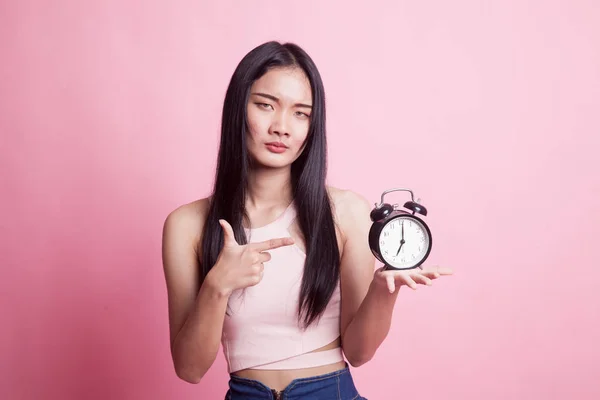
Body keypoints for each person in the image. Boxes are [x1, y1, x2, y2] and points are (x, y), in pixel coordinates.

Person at [161, 40, 453, 400]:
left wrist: (383, 289)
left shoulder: (346, 211)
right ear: (239, 109)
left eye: (301, 113)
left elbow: (359, 352)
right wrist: (217, 285)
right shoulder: (187, 225)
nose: (282, 127)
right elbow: (189, 369)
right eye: (266, 106)